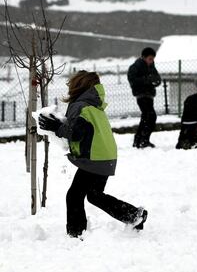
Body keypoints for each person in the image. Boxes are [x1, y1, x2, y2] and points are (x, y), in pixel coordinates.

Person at [39, 71, 148, 238]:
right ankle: (134, 215)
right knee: (94, 195)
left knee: (74, 196)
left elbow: (77, 133)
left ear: (79, 85)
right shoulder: (94, 104)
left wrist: (56, 128)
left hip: (94, 158)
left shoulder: (81, 105)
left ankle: (76, 234)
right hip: (105, 155)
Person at [127, 47, 161, 148]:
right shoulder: (135, 67)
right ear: (144, 57)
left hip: (149, 95)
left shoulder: (152, 66)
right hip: (141, 95)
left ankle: (140, 140)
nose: (152, 61)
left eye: (153, 59)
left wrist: (152, 81)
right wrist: (147, 80)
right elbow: (132, 80)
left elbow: (157, 79)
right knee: (150, 116)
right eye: (150, 59)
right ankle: (142, 140)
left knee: (147, 117)